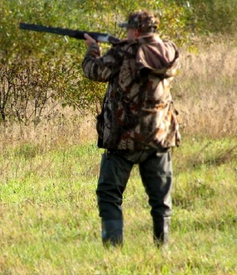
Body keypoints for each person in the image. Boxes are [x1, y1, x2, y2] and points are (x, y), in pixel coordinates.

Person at [82, 10, 180, 248]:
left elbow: (93, 71)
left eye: (128, 29)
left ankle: (114, 250)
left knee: (109, 195)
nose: (125, 32)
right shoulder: (169, 51)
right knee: (160, 199)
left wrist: (93, 49)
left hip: (123, 137)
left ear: (135, 31)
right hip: (158, 135)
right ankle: (162, 248)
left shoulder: (122, 52)